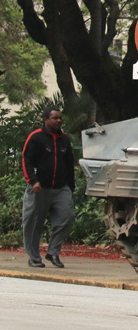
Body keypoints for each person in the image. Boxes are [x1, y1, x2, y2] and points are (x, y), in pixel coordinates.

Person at [21, 106, 75, 268]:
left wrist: (70, 187)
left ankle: (53, 252)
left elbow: (69, 164)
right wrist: (33, 181)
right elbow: (26, 161)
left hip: (60, 188)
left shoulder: (64, 139)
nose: (59, 121)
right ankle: (34, 258)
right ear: (46, 119)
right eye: (55, 118)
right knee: (33, 224)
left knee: (67, 217)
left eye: (60, 118)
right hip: (39, 188)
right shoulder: (36, 138)